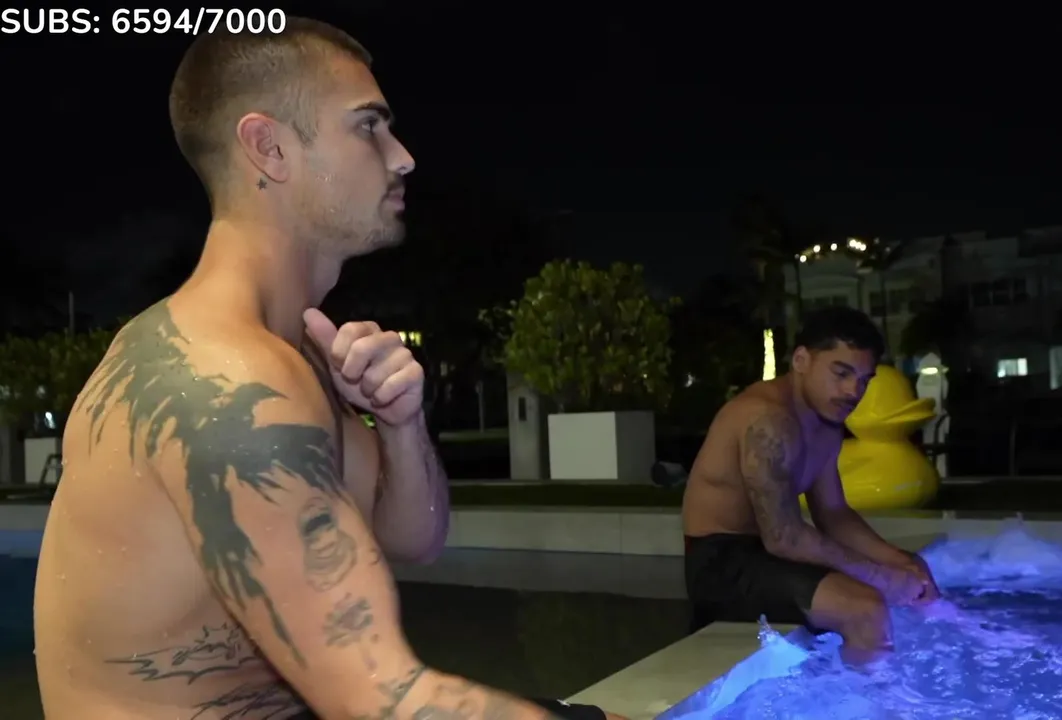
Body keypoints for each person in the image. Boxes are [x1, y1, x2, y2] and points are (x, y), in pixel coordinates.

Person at [33, 18, 622, 720]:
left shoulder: (296, 353)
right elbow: (381, 701)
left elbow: (416, 539)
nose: (403, 157)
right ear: (269, 148)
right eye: (369, 126)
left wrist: (399, 425)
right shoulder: (225, 379)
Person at [682, 306, 941, 665]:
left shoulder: (824, 423)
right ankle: (869, 698)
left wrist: (902, 561)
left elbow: (833, 514)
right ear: (801, 360)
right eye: (841, 373)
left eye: (864, 380)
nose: (853, 391)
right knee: (864, 609)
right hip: (721, 563)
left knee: (905, 579)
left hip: (766, 556)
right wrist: (882, 577)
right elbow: (783, 537)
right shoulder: (768, 420)